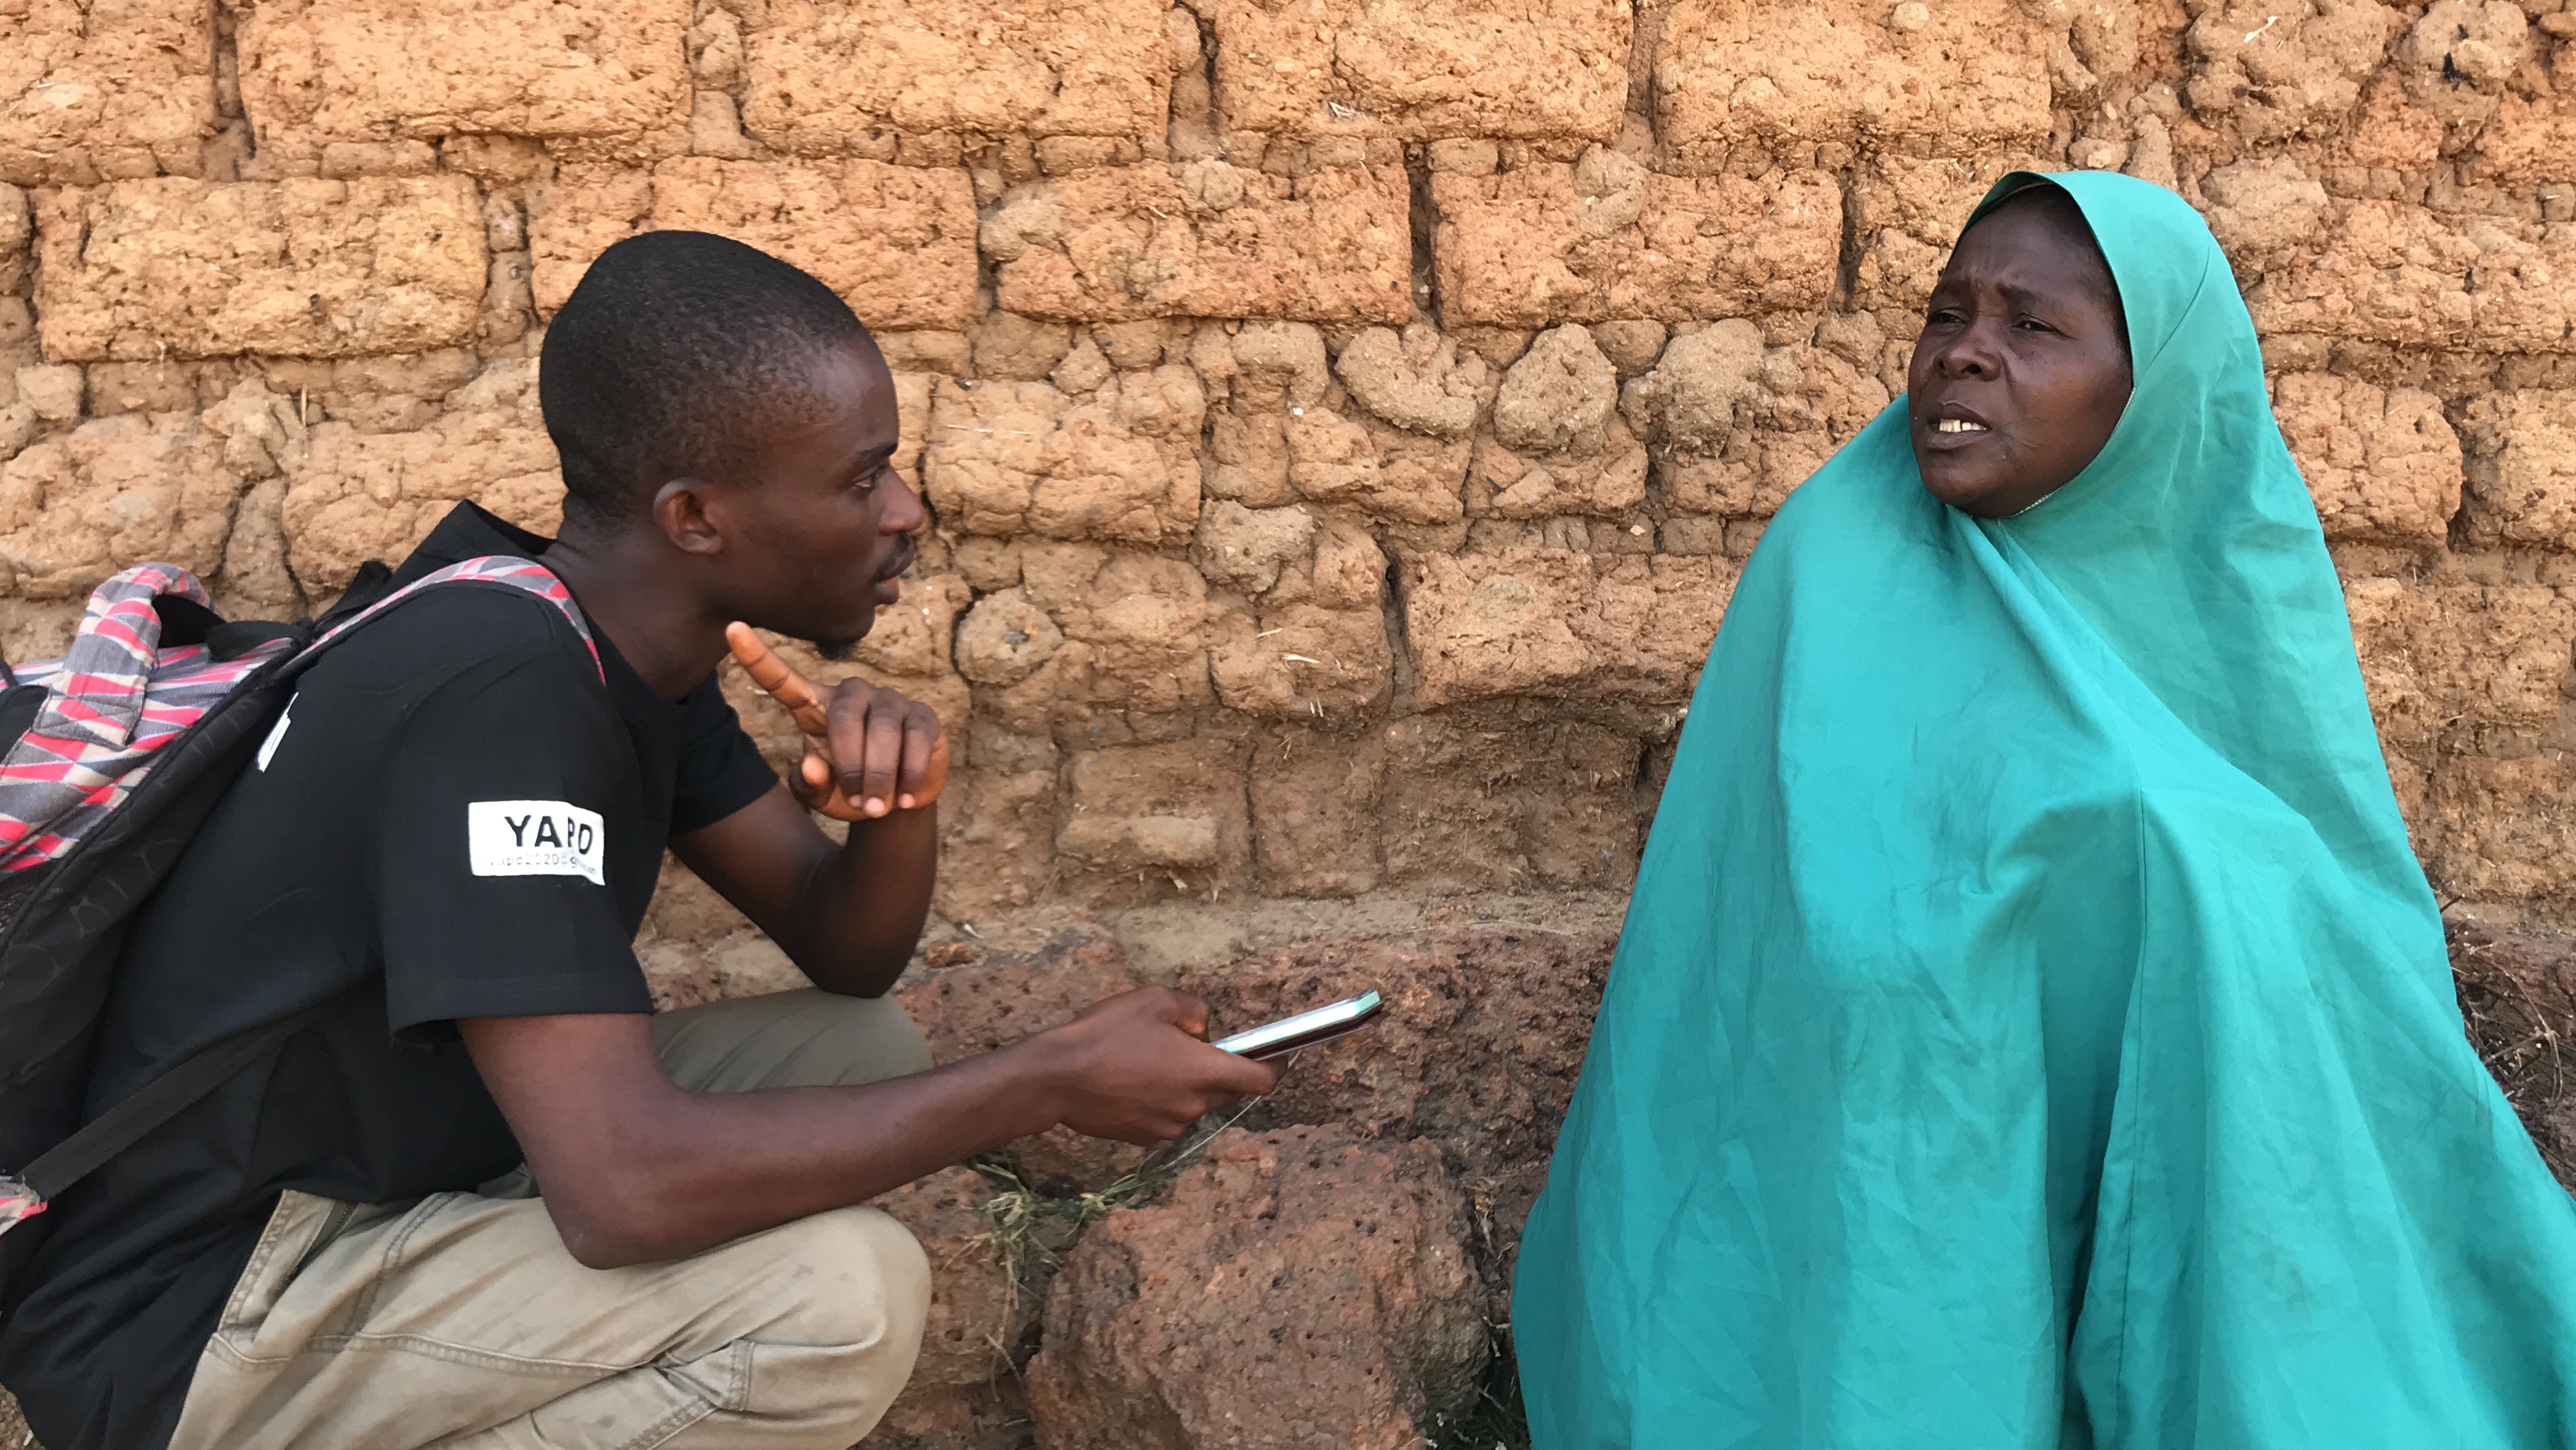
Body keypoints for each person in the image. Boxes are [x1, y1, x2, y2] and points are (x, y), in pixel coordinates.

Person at [0, 231, 1278, 1450]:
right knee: (838, 1302)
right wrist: (1044, 1082)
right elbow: (625, 1192)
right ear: (695, 516)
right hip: (200, 1314)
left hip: (373, 1172)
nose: (905, 509)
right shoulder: (501, 693)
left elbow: (845, 951)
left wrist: (900, 806)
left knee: (853, 1049)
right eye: (860, 478)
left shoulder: (619, 650)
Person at [1510, 171, 2576, 1447]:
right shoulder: (1833, 559)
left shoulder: (2233, 575)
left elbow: (2339, 926)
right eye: (1947, 314)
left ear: (2153, 383)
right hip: (1884, 1174)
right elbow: (1771, 922)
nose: (1965, 354)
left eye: (2032, 325)